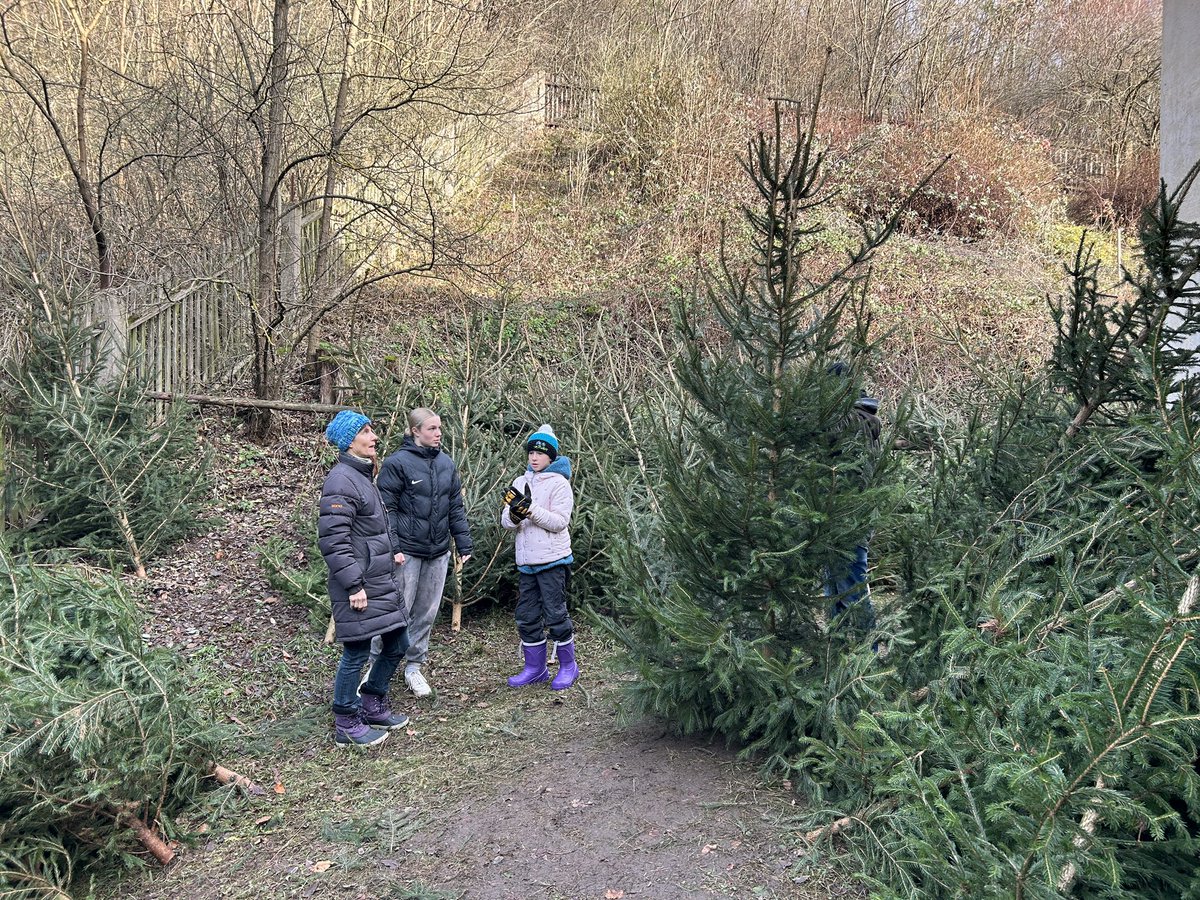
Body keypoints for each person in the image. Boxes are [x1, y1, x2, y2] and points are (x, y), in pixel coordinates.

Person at [317, 410, 411, 749]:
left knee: (398, 643)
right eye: (366, 431)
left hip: (379, 579)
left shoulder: (362, 476)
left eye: (372, 430)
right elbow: (333, 540)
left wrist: (392, 551)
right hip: (360, 585)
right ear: (349, 441)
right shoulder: (341, 480)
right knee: (356, 653)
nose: (374, 436)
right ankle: (345, 721)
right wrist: (353, 585)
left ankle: (372, 702)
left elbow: (373, 528)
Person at [377, 408, 473, 698]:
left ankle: (414, 667)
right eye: (431, 429)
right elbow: (385, 509)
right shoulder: (397, 463)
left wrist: (463, 542)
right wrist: (393, 547)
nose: (438, 433)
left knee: (427, 613)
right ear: (415, 431)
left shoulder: (446, 463)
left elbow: (454, 505)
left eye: (439, 428)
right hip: (406, 553)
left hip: (438, 552)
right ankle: (373, 665)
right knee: (396, 612)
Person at [500, 424, 579, 690]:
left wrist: (530, 509)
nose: (534, 457)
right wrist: (514, 514)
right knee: (526, 615)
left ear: (552, 457)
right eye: (531, 452)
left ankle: (569, 665)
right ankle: (535, 668)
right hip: (526, 563)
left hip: (552, 561)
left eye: (541, 453)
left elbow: (559, 522)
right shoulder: (520, 482)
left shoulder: (560, 484)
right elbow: (506, 522)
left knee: (556, 614)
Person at [824, 364, 882, 637]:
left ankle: (865, 654)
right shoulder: (859, 419)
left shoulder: (854, 420)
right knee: (835, 589)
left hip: (848, 518)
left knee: (852, 589)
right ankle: (836, 654)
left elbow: (826, 433)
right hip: (838, 515)